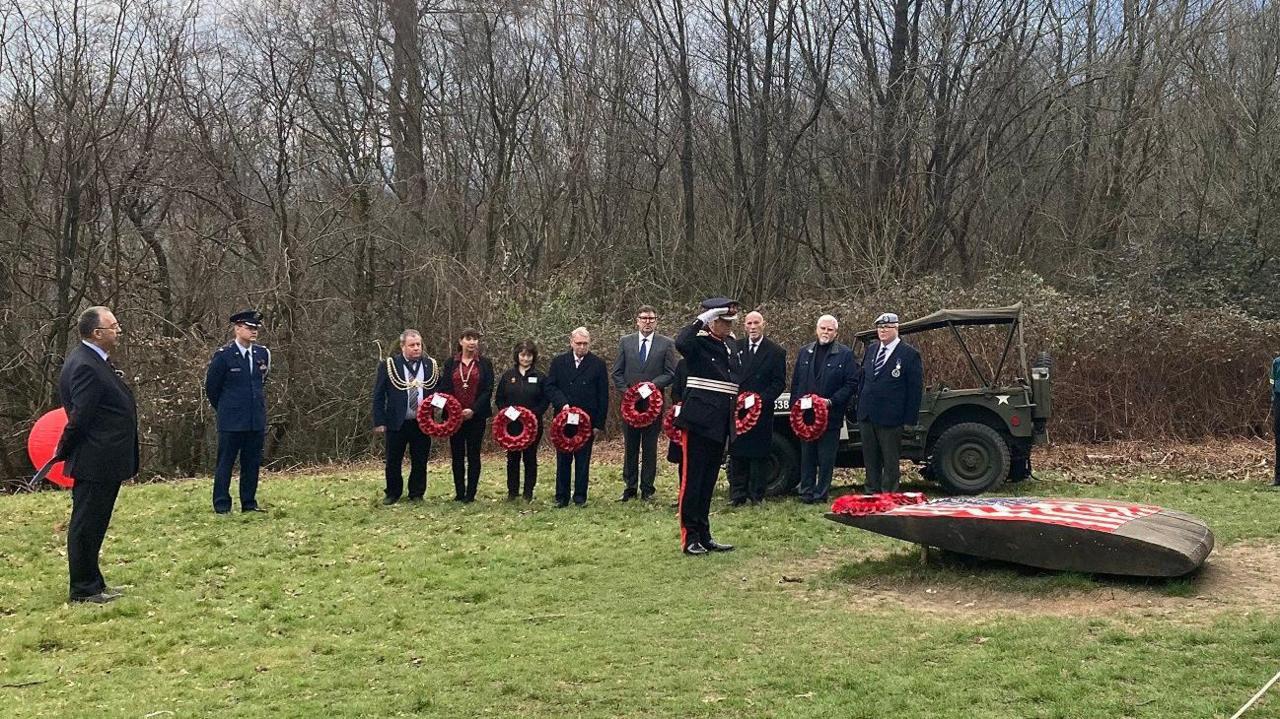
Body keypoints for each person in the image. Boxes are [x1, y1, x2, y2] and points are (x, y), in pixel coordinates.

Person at [55, 306, 138, 604]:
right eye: (113, 326)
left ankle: (94, 582)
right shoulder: (85, 366)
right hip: (94, 460)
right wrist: (64, 449)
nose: (118, 330)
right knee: (86, 525)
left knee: (95, 523)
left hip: (105, 459)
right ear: (96, 333)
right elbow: (80, 417)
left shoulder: (95, 360)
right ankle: (83, 588)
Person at [674, 298, 742, 555]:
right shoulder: (698, 344)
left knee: (707, 483)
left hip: (720, 423)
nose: (727, 325)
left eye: (729, 322)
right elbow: (681, 341)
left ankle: (704, 534)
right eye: (723, 320)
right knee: (692, 482)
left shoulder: (730, 345)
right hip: (698, 421)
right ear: (712, 321)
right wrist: (702, 318)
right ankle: (689, 536)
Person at [205, 310, 271, 514]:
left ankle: (249, 504)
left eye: (256, 329)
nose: (254, 332)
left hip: (254, 419)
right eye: (250, 328)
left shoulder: (262, 354)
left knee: (251, 464)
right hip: (231, 421)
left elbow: (261, 382)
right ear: (238, 328)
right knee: (225, 462)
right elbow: (212, 388)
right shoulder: (224, 356)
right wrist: (227, 408)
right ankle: (222, 505)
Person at [610, 305, 678, 501]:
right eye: (644, 318)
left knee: (649, 447)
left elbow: (671, 373)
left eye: (651, 318)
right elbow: (617, 372)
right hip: (630, 406)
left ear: (656, 320)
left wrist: (651, 386)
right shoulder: (626, 342)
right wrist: (629, 393)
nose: (647, 321)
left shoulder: (666, 344)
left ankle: (647, 488)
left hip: (653, 405)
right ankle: (629, 487)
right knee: (630, 447)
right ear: (637, 320)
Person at [790, 314, 860, 504]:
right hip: (806, 417)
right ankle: (806, 492)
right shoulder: (805, 352)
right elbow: (796, 382)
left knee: (826, 458)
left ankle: (821, 494)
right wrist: (795, 408)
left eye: (830, 329)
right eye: (823, 328)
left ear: (836, 333)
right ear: (816, 329)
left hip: (831, 416)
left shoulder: (845, 355)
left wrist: (831, 401)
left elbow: (852, 383)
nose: (826, 332)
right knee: (807, 457)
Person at [856, 312, 923, 493]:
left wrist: (910, 420)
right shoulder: (871, 350)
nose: (883, 330)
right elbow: (864, 379)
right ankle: (871, 491)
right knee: (870, 458)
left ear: (896, 328)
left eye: (887, 327)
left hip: (891, 416)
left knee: (890, 459)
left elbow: (914, 390)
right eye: (880, 327)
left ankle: (889, 494)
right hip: (867, 414)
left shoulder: (909, 354)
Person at [371, 329, 439, 504]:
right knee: (393, 460)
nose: (417, 348)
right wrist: (379, 421)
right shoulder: (389, 365)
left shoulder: (430, 365)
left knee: (420, 459)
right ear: (403, 346)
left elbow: (437, 391)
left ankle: (416, 493)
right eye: (412, 345)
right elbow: (378, 395)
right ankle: (393, 492)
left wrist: (440, 415)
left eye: (419, 344)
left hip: (422, 422)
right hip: (397, 421)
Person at [544, 327, 609, 507]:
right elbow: (550, 387)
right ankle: (561, 497)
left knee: (583, 460)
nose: (581, 347)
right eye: (578, 343)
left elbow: (603, 395)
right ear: (571, 342)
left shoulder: (598, 364)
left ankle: (580, 497)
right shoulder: (559, 362)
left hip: (587, 421)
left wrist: (599, 423)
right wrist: (562, 403)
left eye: (585, 344)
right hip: (563, 420)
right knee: (563, 459)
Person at [728, 311, 787, 505]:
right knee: (737, 455)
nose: (752, 327)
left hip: (761, 411)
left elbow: (779, 383)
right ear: (744, 326)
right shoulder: (734, 348)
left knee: (759, 455)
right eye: (749, 323)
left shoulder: (776, 351)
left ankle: (757, 495)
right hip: (738, 411)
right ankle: (737, 495)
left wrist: (759, 400)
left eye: (756, 323)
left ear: (763, 325)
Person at [438, 328, 494, 503]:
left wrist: (473, 410)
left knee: (474, 455)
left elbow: (487, 390)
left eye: (475, 339)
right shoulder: (450, 363)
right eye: (469, 339)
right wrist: (455, 410)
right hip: (455, 418)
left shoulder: (485, 363)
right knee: (457, 455)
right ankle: (459, 492)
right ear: (461, 341)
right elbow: (445, 388)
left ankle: (471, 494)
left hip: (476, 417)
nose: (472, 342)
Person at [495, 339, 549, 500]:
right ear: (517, 356)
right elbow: (500, 399)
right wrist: (510, 414)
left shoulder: (540, 376)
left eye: (529, 356)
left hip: (533, 425)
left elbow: (545, 401)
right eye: (523, 355)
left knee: (530, 458)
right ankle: (512, 492)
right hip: (511, 425)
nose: (525, 359)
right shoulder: (508, 376)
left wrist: (532, 415)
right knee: (512, 458)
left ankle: (528, 492)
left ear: (533, 357)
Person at [1271, 354, 1280, 486]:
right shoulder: (1276, 362)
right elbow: (1272, 383)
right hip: (1279, 400)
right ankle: (1278, 478)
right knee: (1279, 438)